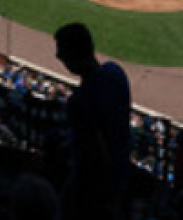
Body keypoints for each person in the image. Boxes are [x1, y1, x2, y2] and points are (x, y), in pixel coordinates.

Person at [53, 22, 132, 220]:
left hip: (94, 194)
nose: (58, 56)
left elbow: (95, 155)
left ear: (74, 53)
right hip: (122, 176)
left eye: (62, 50)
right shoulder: (116, 72)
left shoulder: (80, 101)